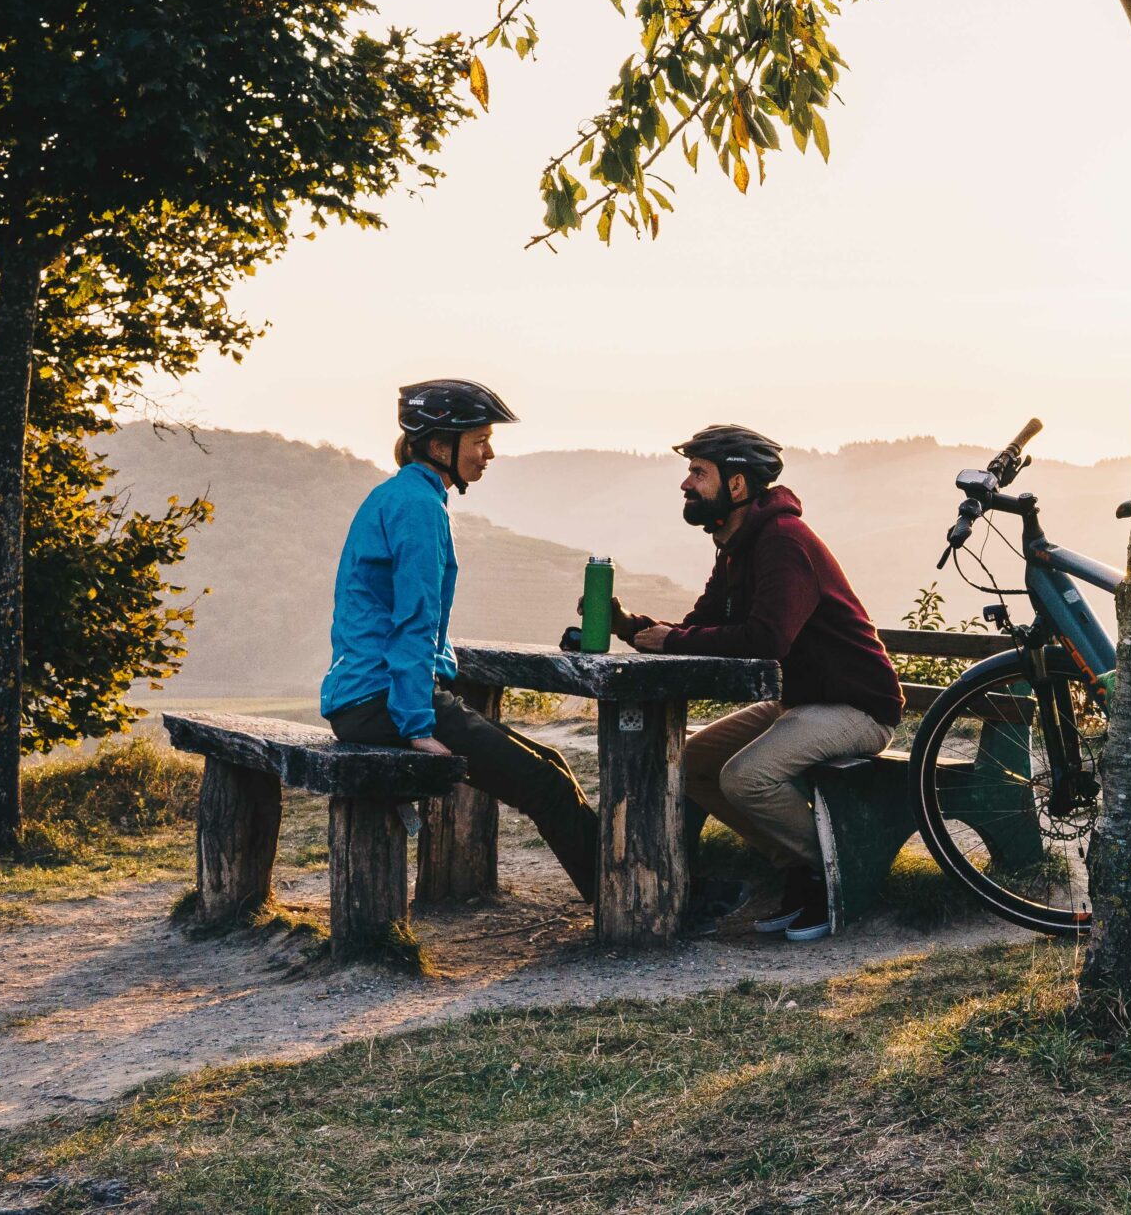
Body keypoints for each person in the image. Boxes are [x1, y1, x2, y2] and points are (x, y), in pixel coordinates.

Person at [614, 424, 903, 942]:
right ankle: (795, 865)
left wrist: (672, 642)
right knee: (695, 764)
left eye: (699, 473)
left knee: (745, 777)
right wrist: (635, 628)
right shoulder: (736, 547)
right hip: (802, 702)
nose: (686, 484)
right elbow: (700, 624)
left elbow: (767, 638)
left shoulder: (783, 542)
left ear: (738, 485)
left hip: (857, 708)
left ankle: (835, 873)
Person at [320, 379, 601, 902]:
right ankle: (628, 901)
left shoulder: (403, 495)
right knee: (547, 787)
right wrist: (418, 725)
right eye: (480, 440)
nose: (489, 453)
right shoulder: (418, 508)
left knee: (554, 769)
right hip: (386, 702)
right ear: (439, 445)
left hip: (368, 696)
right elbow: (413, 622)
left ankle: (622, 888)